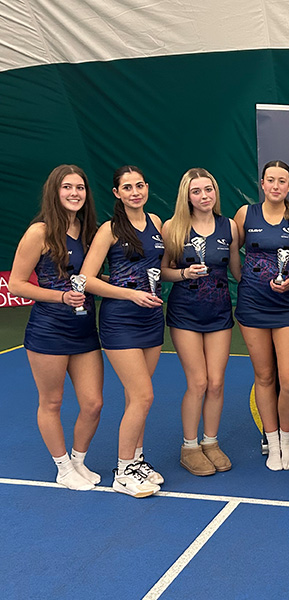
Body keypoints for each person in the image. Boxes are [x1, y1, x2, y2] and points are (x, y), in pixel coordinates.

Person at [9, 165, 103, 491]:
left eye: (80, 187)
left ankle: (78, 461)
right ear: (55, 191)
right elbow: (17, 284)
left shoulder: (89, 232)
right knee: (52, 402)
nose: (74, 193)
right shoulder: (40, 232)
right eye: (67, 187)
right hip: (48, 331)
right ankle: (63, 468)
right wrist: (61, 296)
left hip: (85, 330)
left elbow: (90, 278)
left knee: (93, 403)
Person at [82, 165, 165, 498]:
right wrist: (130, 294)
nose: (135, 192)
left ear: (147, 188)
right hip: (120, 321)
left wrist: (185, 273)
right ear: (117, 193)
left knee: (137, 398)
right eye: (127, 187)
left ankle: (138, 461)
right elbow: (86, 279)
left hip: (151, 319)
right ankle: (123, 471)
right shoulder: (110, 230)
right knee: (144, 395)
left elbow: (158, 270)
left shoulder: (156, 222)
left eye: (139, 185)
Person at [234, 160, 289, 471]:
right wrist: (246, 280)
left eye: (282, 181)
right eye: (271, 180)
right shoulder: (246, 214)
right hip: (253, 307)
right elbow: (232, 254)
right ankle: (272, 442)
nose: (276, 186)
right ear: (262, 183)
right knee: (265, 377)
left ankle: (286, 439)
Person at [161, 168, 241, 476]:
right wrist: (184, 273)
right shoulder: (173, 226)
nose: (204, 196)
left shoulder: (229, 226)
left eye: (208, 189)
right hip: (185, 312)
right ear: (187, 196)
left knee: (217, 383)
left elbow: (237, 270)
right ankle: (190, 447)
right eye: (196, 191)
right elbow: (163, 270)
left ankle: (211, 441)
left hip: (219, 311)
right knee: (198, 382)